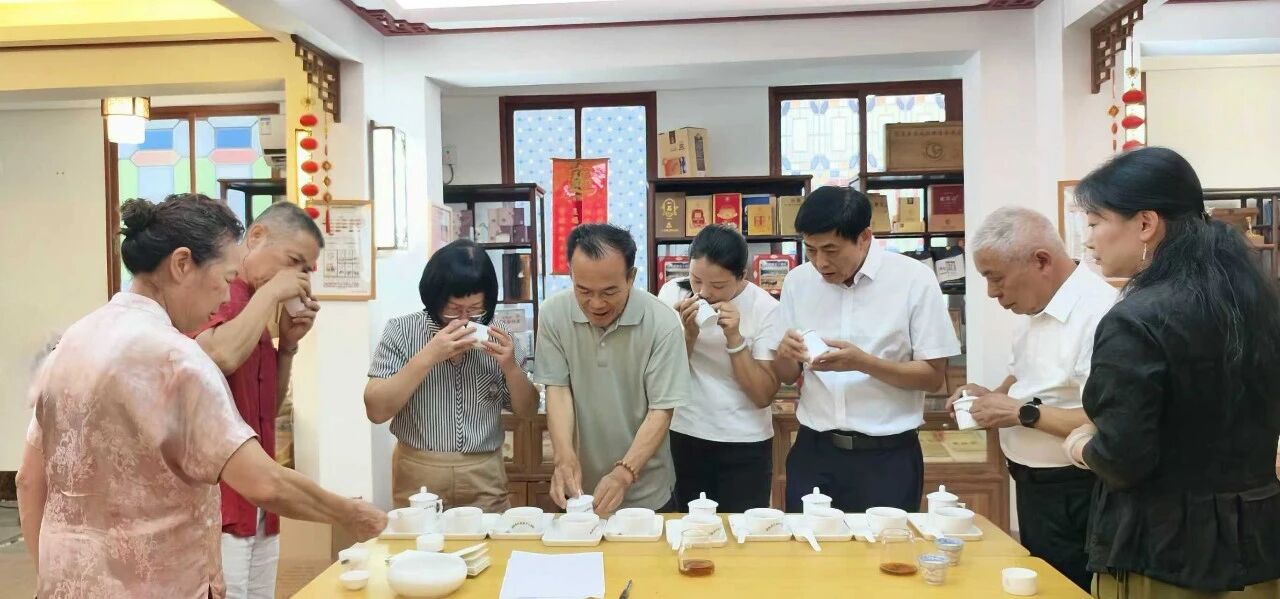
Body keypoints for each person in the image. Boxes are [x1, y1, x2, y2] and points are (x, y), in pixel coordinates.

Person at [15, 194, 385, 599]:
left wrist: (52, 578)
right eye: (225, 279)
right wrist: (351, 513)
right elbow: (264, 482)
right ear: (181, 264)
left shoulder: (71, 341)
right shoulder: (177, 358)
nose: (226, 297)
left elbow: (28, 479)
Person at [1063, 147, 1280, 597]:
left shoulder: (1136, 319)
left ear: (1145, 223)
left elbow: (1124, 458)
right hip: (1257, 545)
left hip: (1165, 553)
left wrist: (1082, 445)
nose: (1089, 240)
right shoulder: (1256, 303)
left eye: (1095, 223)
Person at [948, 207, 1116, 590]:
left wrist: (1021, 413)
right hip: (1034, 485)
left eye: (996, 278)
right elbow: (1026, 377)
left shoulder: (1100, 314)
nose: (992, 292)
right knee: (1042, 583)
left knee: (1071, 588)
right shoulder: (1036, 308)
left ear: (1041, 261)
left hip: (1078, 489)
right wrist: (992, 397)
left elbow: (1107, 419)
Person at [768, 186, 960, 513]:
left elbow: (932, 376)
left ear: (864, 237)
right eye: (811, 250)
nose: (820, 262)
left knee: (885, 546)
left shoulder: (913, 279)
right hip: (814, 449)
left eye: (831, 250)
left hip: (887, 457)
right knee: (807, 544)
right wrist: (785, 354)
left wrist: (863, 363)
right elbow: (786, 375)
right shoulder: (798, 282)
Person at [191, 201, 323, 599]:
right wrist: (272, 295)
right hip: (223, 499)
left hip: (259, 497)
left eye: (305, 269)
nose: (297, 277)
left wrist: (289, 347)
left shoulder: (256, 306)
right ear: (257, 236)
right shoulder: (220, 295)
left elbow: (268, 410)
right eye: (294, 262)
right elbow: (220, 355)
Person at [364, 239, 538, 512]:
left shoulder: (499, 334)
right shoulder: (401, 331)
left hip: (484, 474)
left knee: (489, 538)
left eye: (475, 309)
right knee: (419, 538)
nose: (464, 319)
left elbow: (528, 411)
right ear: (434, 299)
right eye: (453, 310)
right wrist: (429, 355)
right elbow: (376, 410)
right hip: (419, 473)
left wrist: (511, 368)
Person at [534, 223, 690, 515]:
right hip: (579, 492)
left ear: (631, 277)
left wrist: (624, 473)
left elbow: (661, 410)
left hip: (647, 494)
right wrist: (564, 457)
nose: (595, 303)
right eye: (583, 290)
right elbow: (558, 389)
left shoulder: (662, 323)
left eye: (609, 292)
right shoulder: (553, 314)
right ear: (571, 275)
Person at [657, 224, 783, 512]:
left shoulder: (765, 308)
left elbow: (763, 395)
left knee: (743, 529)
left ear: (742, 276)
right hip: (685, 432)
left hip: (745, 440)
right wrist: (689, 335)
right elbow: (664, 375)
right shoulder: (672, 293)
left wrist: (734, 338)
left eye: (718, 285)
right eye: (696, 279)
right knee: (689, 526)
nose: (704, 293)